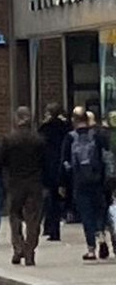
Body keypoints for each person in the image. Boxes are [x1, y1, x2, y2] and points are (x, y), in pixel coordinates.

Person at [62, 106, 110, 261]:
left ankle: (91, 249)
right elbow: (106, 157)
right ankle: (101, 234)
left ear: (75, 121)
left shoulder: (70, 137)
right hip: (97, 180)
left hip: (79, 181)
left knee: (86, 214)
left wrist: (63, 183)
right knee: (99, 210)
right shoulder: (97, 136)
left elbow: (65, 162)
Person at [0, 106, 45, 266]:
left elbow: (0, 161)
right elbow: (44, 163)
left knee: (14, 216)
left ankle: (18, 248)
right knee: (33, 220)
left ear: (17, 119)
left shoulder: (9, 139)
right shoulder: (38, 139)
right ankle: (30, 252)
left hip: (15, 184)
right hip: (34, 184)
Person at [39, 102, 69, 241]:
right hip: (63, 166)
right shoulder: (66, 128)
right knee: (58, 198)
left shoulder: (45, 128)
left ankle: (51, 228)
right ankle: (55, 225)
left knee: (50, 199)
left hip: (48, 167)